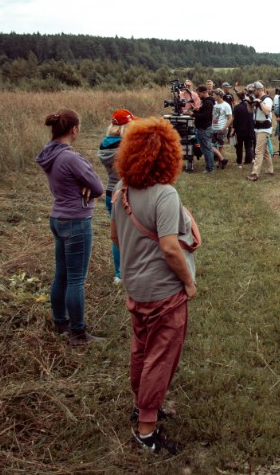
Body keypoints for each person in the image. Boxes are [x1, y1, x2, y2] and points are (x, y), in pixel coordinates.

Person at [111, 116, 198, 455]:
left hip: (136, 287)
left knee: (141, 349)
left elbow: (115, 236)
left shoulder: (121, 190)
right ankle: (147, 429)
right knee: (161, 357)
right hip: (164, 292)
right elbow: (170, 247)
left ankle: (142, 403)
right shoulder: (165, 194)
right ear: (170, 156)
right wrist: (188, 284)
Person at [36, 109, 106, 346]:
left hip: (58, 218)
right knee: (76, 279)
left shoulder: (50, 153)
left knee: (62, 275)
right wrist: (85, 187)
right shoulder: (71, 158)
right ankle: (78, 333)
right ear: (74, 129)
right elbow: (97, 187)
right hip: (76, 220)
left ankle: (60, 322)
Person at [98, 108, 135, 284]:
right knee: (132, 233)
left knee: (117, 235)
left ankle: (120, 272)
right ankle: (128, 270)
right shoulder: (125, 146)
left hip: (110, 192)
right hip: (126, 192)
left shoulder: (105, 144)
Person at [248, 82, 276, 181]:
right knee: (265, 151)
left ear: (259, 90)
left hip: (264, 127)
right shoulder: (257, 99)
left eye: (254, 90)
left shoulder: (267, 99)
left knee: (258, 151)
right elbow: (250, 112)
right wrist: (250, 103)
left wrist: (260, 102)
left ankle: (254, 173)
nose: (252, 92)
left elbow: (267, 111)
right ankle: (270, 169)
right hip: (258, 126)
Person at [193, 85, 216, 173]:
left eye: (199, 94)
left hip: (205, 128)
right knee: (205, 148)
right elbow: (203, 113)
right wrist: (196, 110)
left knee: (207, 149)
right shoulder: (206, 102)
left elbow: (205, 116)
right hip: (203, 128)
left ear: (204, 92)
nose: (198, 96)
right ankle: (209, 167)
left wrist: (193, 114)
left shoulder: (208, 103)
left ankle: (210, 168)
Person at [230, 89, 255, 167]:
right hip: (249, 129)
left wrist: (233, 130)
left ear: (238, 98)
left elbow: (235, 120)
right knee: (248, 146)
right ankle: (248, 159)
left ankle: (239, 161)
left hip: (240, 130)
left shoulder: (237, 108)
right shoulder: (250, 106)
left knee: (239, 147)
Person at [211, 89, 232, 169]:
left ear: (219, 96)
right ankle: (222, 159)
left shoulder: (226, 105)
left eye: (214, 95)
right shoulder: (215, 105)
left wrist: (224, 128)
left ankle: (220, 163)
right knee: (212, 145)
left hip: (221, 128)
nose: (213, 96)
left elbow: (230, 118)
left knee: (220, 146)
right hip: (213, 127)